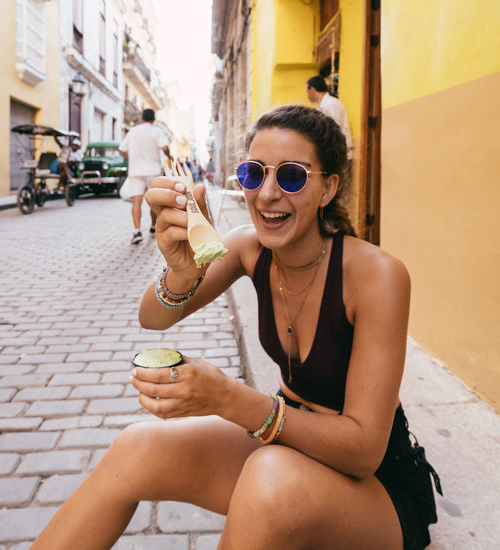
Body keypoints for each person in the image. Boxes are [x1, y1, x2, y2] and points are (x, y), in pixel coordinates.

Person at [30, 104, 440, 550]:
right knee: (136, 448)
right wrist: (182, 273)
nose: (266, 194)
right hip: (288, 444)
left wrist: (227, 398)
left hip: (379, 488)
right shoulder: (249, 247)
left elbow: (363, 450)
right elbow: (154, 317)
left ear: (328, 188)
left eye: (291, 176)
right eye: (252, 174)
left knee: (269, 478)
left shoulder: (378, 275)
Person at [119, 108, 172, 244]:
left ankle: (137, 231)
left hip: (136, 171)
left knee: (136, 202)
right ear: (154, 119)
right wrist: (169, 157)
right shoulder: (157, 131)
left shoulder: (133, 131)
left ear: (142, 118)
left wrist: (130, 158)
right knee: (153, 201)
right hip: (153, 171)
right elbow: (165, 147)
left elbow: (122, 149)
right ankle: (153, 227)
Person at [306, 75, 353, 162]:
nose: (307, 95)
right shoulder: (322, 105)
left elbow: (333, 130)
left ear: (312, 89)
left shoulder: (331, 104)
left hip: (339, 155)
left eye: (307, 91)